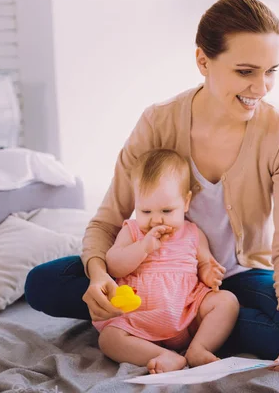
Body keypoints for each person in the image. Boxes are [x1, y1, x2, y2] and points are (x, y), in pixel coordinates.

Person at [25, 0, 279, 373]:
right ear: (203, 61)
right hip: (146, 275)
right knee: (41, 284)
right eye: (246, 72)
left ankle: (172, 327)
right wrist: (98, 277)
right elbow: (106, 223)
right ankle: (174, 323)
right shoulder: (158, 122)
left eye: (271, 70)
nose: (262, 87)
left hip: (234, 277)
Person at [93, 149, 238, 373]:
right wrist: (143, 247)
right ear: (136, 204)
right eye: (146, 210)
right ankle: (164, 356)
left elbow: (204, 263)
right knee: (109, 339)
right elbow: (113, 264)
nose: (156, 219)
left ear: (186, 202)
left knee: (227, 302)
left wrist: (209, 272)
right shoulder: (132, 231)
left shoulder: (192, 232)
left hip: (186, 313)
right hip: (139, 317)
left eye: (167, 210)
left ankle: (198, 348)